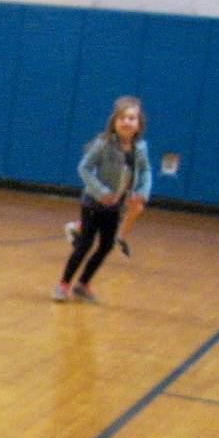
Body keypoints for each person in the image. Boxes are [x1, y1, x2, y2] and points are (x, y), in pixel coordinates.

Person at [53, 96, 150, 304]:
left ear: (139, 124)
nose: (126, 122)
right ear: (114, 121)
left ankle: (83, 284)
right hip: (93, 204)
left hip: (115, 206)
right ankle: (63, 284)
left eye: (131, 118)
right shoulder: (104, 144)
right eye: (122, 117)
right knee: (85, 244)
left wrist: (142, 191)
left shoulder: (140, 149)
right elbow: (84, 168)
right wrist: (101, 191)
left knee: (106, 246)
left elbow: (145, 172)